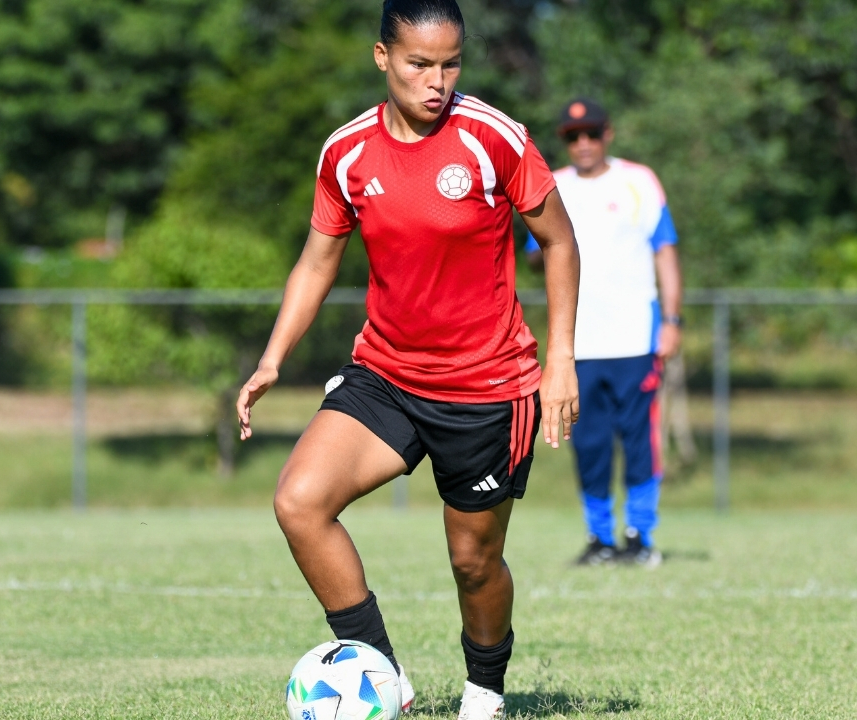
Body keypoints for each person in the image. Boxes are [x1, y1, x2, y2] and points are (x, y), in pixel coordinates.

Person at [236, 2, 581, 718]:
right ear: (382, 57)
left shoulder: (494, 138)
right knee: (299, 502)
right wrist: (272, 359)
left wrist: (562, 362)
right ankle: (383, 676)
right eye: (420, 64)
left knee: (473, 562)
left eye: (451, 64)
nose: (437, 81)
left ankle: (484, 692)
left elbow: (560, 242)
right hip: (386, 375)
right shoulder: (347, 152)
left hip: (487, 387)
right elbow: (317, 261)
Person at [526, 97, 682, 569]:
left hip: (635, 338)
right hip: (578, 345)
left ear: (607, 134)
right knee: (590, 444)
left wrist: (672, 321)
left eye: (592, 133)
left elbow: (665, 252)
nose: (583, 143)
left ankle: (640, 536)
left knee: (638, 442)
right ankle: (599, 538)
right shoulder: (551, 185)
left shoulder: (639, 180)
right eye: (573, 136)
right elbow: (535, 251)